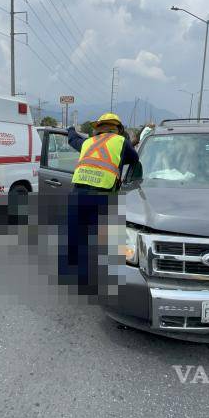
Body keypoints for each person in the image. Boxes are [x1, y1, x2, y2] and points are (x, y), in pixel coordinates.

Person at [60, 113, 139, 295]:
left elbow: (73, 140)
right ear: (118, 129)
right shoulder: (121, 142)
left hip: (78, 195)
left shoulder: (87, 143)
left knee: (75, 238)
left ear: (97, 128)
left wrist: (71, 130)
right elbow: (134, 160)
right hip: (104, 198)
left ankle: (77, 280)